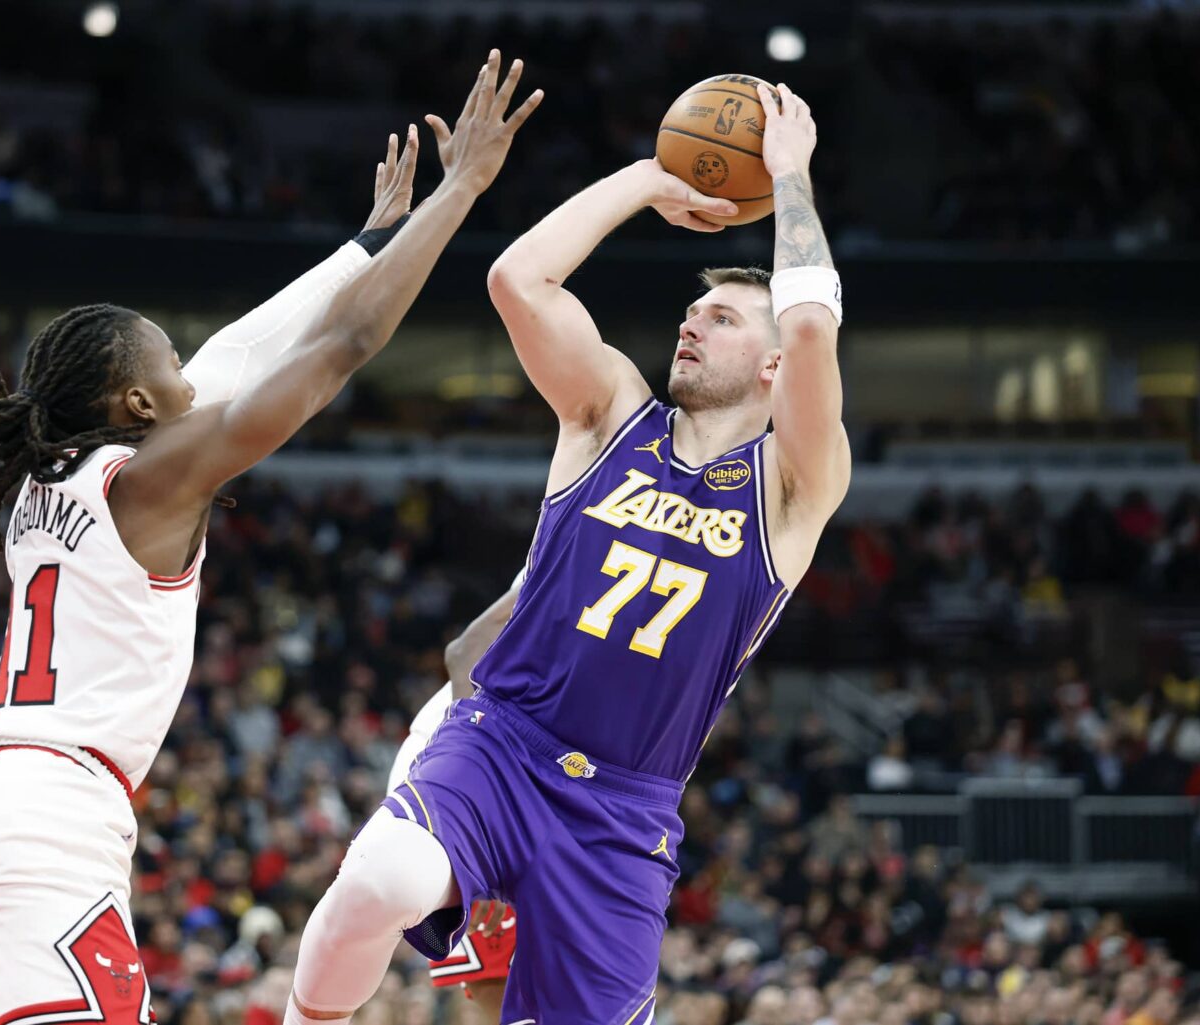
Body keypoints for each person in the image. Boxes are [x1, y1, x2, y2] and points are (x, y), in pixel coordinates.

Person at [0, 53, 543, 1025]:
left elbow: (240, 345)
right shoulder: (151, 476)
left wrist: (364, 242)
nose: (196, 385)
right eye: (171, 372)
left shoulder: (47, 475)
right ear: (139, 402)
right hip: (44, 818)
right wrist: (462, 193)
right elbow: (339, 350)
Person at [288, 82, 847, 1025]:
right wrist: (644, 177)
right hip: (505, 741)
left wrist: (788, 176)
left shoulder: (793, 487)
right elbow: (517, 280)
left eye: (721, 319)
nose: (690, 323)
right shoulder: (610, 416)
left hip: (623, 811)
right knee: (382, 880)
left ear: (771, 368)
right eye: (691, 311)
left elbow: (806, 321)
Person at [386, 575, 522, 1023]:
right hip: (457, 784)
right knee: (493, 988)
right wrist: (479, 862)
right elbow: (463, 653)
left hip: (498, 793)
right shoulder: (571, 547)